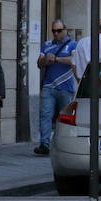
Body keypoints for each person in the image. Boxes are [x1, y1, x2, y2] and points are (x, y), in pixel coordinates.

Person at [35, 19, 76, 156]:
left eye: (59, 31)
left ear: (65, 30)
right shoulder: (46, 45)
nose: (56, 33)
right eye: (53, 31)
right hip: (49, 86)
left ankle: (65, 144)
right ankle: (44, 144)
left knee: (65, 118)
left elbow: (73, 60)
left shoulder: (73, 44)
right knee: (45, 115)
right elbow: (39, 64)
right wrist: (45, 59)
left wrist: (56, 59)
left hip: (66, 87)